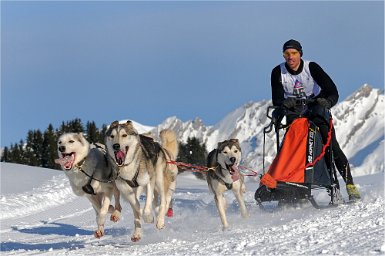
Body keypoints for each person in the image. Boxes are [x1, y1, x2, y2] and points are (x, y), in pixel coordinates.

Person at [270, 39, 361, 201]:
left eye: (294, 53)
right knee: (292, 148)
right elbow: (276, 100)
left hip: (316, 107)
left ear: (300, 54)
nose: (290, 57)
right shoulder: (278, 72)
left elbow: (332, 91)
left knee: (330, 146)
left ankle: (349, 185)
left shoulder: (311, 67)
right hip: (294, 112)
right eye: (286, 54)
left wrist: (328, 102)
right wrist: (284, 104)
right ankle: (292, 189)